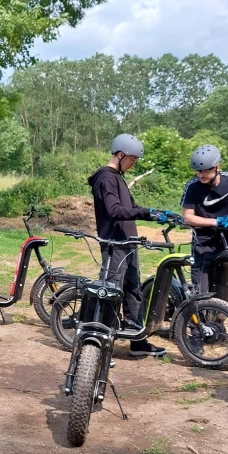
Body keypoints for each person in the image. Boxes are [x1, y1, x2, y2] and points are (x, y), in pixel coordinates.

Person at [87, 133, 171, 358]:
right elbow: (115, 211)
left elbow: (132, 207)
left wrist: (156, 214)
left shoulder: (118, 177)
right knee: (111, 292)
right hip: (115, 244)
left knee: (133, 291)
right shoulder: (105, 178)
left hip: (128, 243)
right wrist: (147, 213)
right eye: (132, 159)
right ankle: (100, 350)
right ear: (120, 155)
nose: (133, 164)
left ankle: (138, 341)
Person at [180, 144, 228, 302]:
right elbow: (187, 217)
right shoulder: (192, 187)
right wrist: (215, 221)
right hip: (202, 245)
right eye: (198, 171)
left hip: (226, 243)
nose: (201, 175)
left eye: (205, 171)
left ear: (217, 167)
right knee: (200, 296)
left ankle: (218, 324)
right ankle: (197, 325)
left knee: (224, 296)